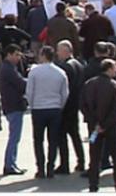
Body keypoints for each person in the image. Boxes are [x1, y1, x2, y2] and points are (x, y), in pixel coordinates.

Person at [81, 59, 116, 193]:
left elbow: (83, 105)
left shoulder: (89, 84)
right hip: (112, 128)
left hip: (94, 128)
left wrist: (95, 123)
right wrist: (105, 124)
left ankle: (93, 186)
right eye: (115, 68)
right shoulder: (115, 86)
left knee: (94, 157)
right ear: (109, 69)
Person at [26, 45, 69, 179]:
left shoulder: (34, 72)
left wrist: (32, 104)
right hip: (55, 108)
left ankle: (40, 168)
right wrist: (60, 105)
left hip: (38, 108)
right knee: (53, 140)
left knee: (38, 140)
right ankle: (50, 167)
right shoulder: (60, 72)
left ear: (43, 55)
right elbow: (65, 93)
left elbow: (29, 92)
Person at [55, 39, 86, 174]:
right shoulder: (79, 64)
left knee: (62, 135)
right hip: (75, 103)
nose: (57, 53)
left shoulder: (66, 67)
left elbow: (64, 87)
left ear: (65, 51)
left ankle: (64, 164)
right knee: (75, 134)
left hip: (67, 104)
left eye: (59, 50)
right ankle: (81, 161)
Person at [0, 44, 28, 175]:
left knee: (15, 136)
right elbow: (21, 84)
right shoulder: (8, 69)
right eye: (16, 54)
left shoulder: (9, 67)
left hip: (12, 105)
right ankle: (9, 164)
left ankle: (11, 163)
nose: (18, 57)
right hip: (13, 105)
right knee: (14, 137)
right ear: (9, 54)